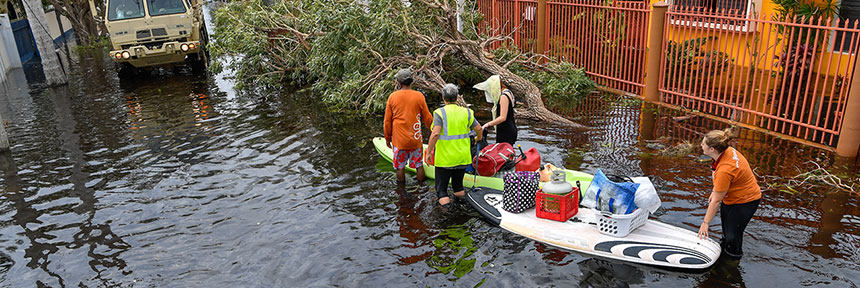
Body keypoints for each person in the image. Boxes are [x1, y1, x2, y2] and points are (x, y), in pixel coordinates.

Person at [698, 128, 762, 259]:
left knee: (733, 236)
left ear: (712, 149)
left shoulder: (725, 169)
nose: (701, 145)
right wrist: (715, 191)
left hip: (746, 201)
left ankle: (732, 262)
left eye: (703, 144)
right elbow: (718, 179)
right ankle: (724, 251)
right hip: (732, 197)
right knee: (726, 232)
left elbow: (716, 201)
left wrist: (705, 223)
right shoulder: (726, 151)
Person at [426, 84, 483, 207]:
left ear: (443, 98)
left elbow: (435, 134)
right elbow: (479, 128)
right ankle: (461, 209)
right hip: (462, 157)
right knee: (458, 186)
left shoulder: (439, 113)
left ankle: (446, 218)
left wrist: (428, 152)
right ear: (457, 98)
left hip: (445, 159)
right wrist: (479, 138)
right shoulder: (467, 112)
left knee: (442, 191)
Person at [384, 69, 434, 185]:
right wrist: (434, 131)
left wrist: (387, 138)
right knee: (418, 165)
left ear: (399, 82)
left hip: (399, 141)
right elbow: (427, 118)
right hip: (415, 140)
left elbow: (387, 122)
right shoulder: (419, 96)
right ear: (411, 82)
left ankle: (401, 192)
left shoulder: (392, 97)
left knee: (400, 167)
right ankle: (421, 188)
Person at [474, 75, 517, 145]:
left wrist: (488, 124)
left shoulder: (503, 97)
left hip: (506, 132)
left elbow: (503, 117)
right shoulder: (508, 92)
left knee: (503, 153)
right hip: (508, 129)